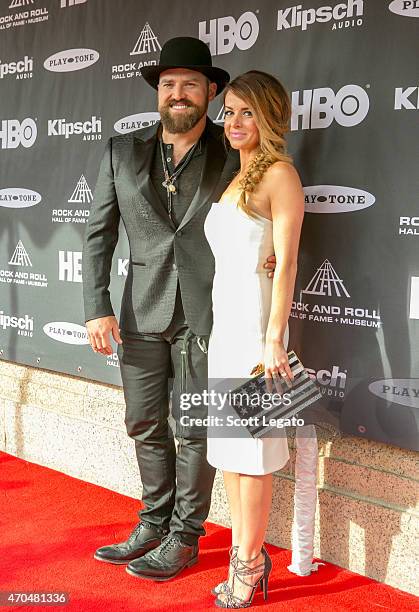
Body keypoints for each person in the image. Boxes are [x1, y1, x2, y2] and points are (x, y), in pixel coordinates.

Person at [82, 37, 277, 582]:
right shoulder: (122, 150)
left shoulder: (233, 146)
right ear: (158, 92)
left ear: (211, 91)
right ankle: (153, 521)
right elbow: (98, 235)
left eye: (190, 84)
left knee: (193, 426)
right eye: (168, 84)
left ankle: (186, 536)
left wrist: (274, 250)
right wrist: (97, 306)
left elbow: (266, 205)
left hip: (205, 313)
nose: (177, 93)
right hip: (140, 312)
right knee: (145, 421)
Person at [204, 71, 305, 607]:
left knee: (254, 459)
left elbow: (286, 264)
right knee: (229, 458)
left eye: (248, 112)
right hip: (226, 331)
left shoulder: (280, 175)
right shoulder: (234, 178)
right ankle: (246, 557)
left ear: (271, 116)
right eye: (230, 111)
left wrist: (272, 340)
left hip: (257, 338)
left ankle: (249, 563)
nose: (235, 122)